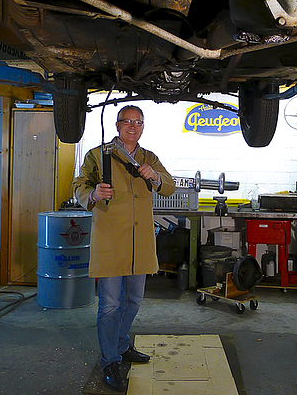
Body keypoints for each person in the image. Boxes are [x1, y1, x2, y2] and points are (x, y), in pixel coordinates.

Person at [74, 105, 175, 392]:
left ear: (143, 127)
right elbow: (79, 185)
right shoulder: (99, 155)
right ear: (117, 125)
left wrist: (154, 176)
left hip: (140, 241)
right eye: (127, 121)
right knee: (110, 305)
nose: (133, 126)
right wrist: (92, 193)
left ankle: (121, 344)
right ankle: (110, 360)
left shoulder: (149, 157)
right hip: (110, 239)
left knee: (134, 301)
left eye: (138, 122)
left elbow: (168, 185)